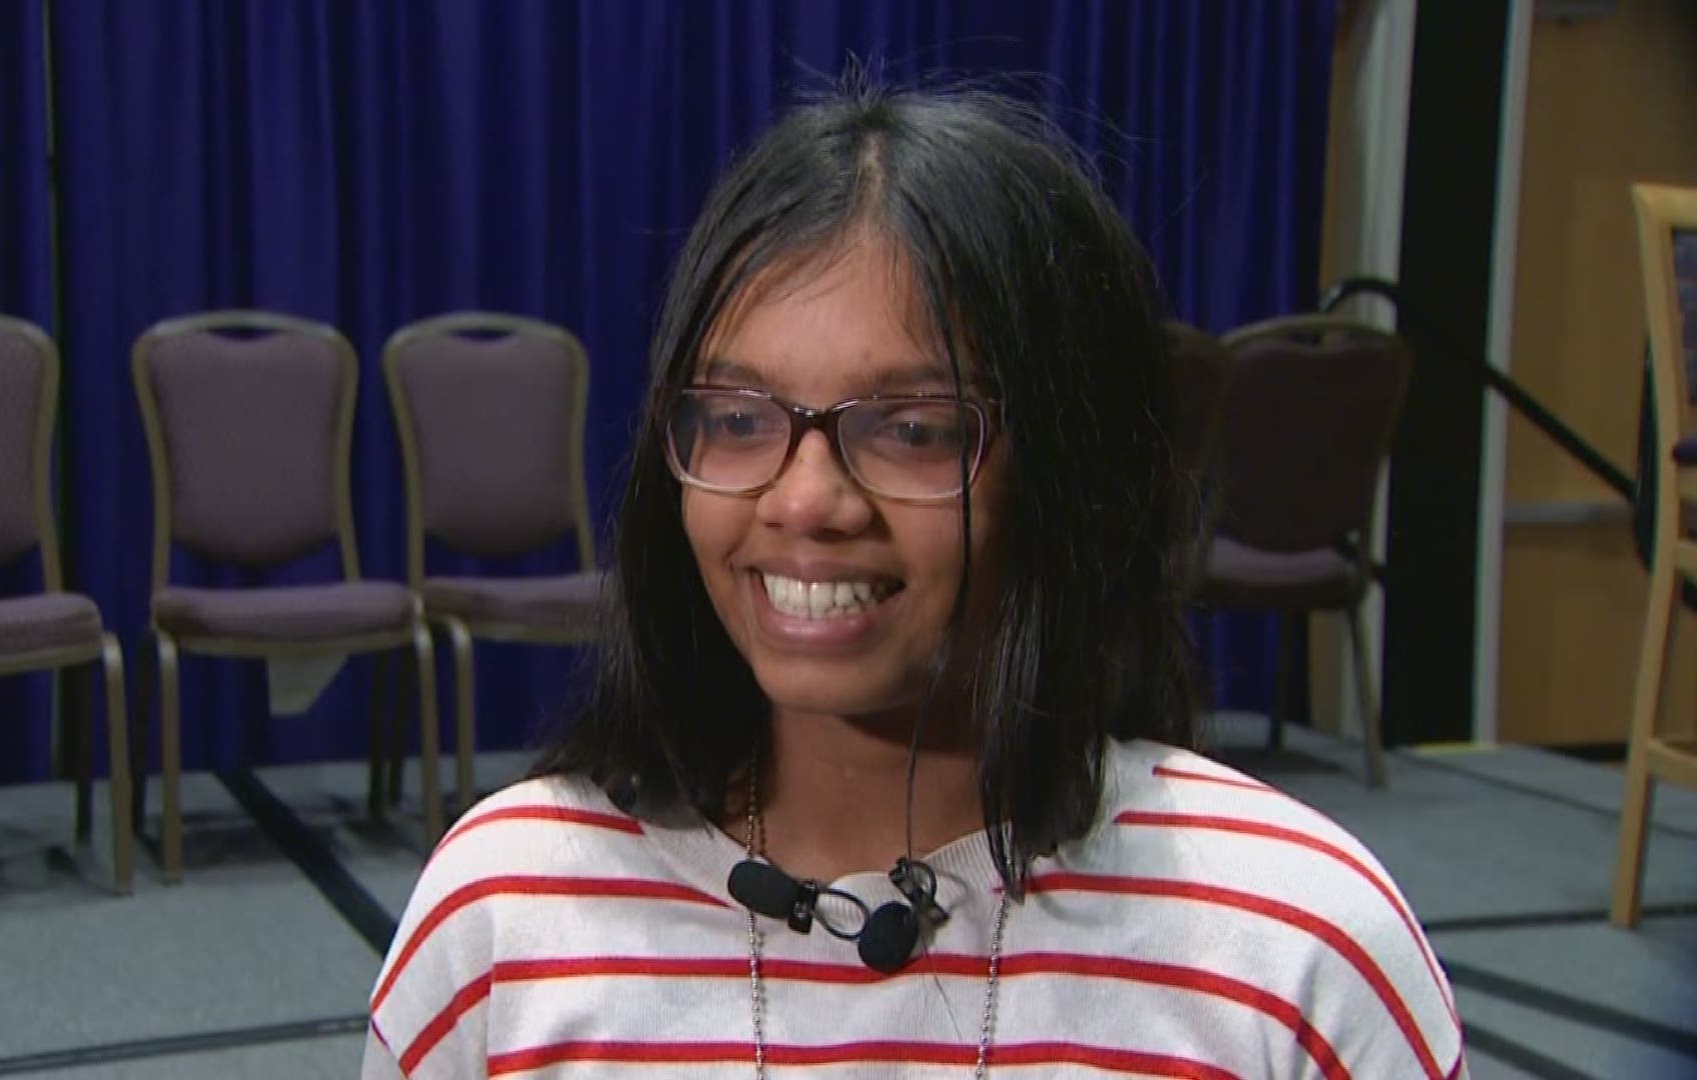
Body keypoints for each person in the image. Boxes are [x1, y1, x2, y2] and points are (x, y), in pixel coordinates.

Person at [364, 79, 1467, 1079]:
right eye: (740, 420)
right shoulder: (506, 918)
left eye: (916, 430)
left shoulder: (1296, 943)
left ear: (1068, 476)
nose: (804, 501)